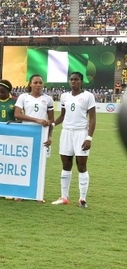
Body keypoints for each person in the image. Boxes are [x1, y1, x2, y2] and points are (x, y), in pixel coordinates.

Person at [51, 72, 97, 208]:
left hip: (81, 133)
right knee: (66, 165)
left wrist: (89, 137)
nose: (73, 82)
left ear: (81, 81)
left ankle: (82, 199)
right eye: (71, 80)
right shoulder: (64, 96)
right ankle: (64, 197)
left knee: (81, 166)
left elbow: (93, 118)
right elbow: (62, 116)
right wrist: (52, 124)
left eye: (76, 79)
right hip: (66, 133)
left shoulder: (88, 96)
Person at [14, 74, 54, 148]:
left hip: (41, 131)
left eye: (40, 83)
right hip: (26, 130)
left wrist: (49, 137)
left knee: (40, 157)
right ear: (30, 84)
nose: (38, 85)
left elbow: (51, 120)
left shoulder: (48, 99)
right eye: (35, 83)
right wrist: (36, 120)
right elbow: (17, 114)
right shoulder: (23, 97)